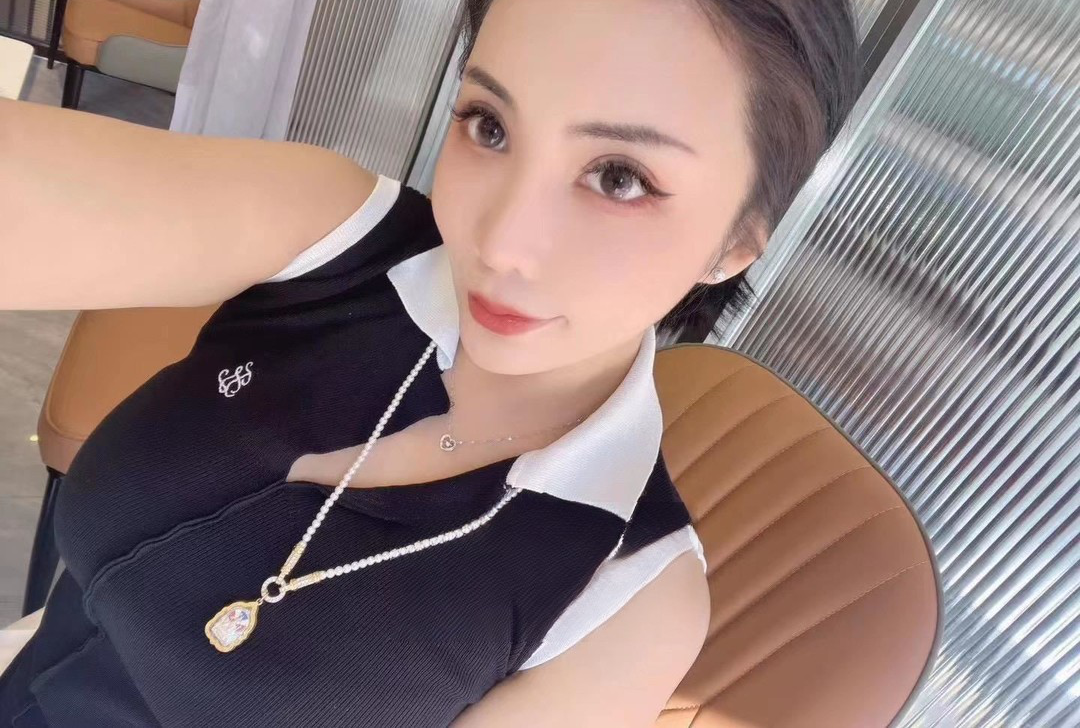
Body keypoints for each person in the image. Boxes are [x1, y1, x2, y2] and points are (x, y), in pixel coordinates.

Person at [0, 0, 860, 724]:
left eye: (620, 178)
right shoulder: (330, 233)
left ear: (737, 242)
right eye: (489, 125)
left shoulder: (626, 604)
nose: (501, 242)